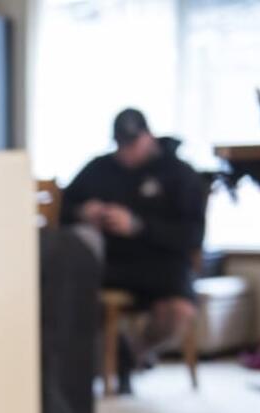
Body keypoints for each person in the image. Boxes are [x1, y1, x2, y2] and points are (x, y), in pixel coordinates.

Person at [61, 108, 207, 377]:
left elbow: (192, 235)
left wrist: (138, 226)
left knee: (178, 312)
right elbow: (65, 207)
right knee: (69, 279)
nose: (126, 152)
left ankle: (130, 354)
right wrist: (83, 212)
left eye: (132, 144)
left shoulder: (180, 174)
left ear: (148, 136)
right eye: (120, 145)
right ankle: (84, 363)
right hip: (111, 263)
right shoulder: (99, 168)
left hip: (163, 263)